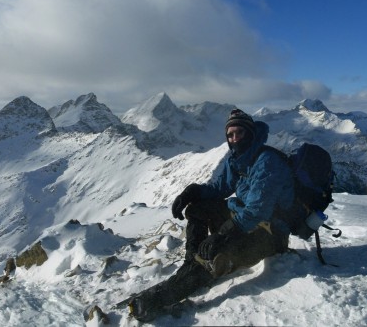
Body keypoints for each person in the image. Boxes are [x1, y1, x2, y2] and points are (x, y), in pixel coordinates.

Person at [123, 109, 296, 322]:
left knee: (215, 255)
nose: (234, 139)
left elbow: (256, 211)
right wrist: (193, 192)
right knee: (197, 208)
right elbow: (220, 187)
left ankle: (163, 296)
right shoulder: (239, 158)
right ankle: (192, 262)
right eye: (230, 135)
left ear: (250, 133)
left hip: (269, 233)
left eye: (239, 133)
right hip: (244, 220)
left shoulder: (267, 161)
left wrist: (221, 234)